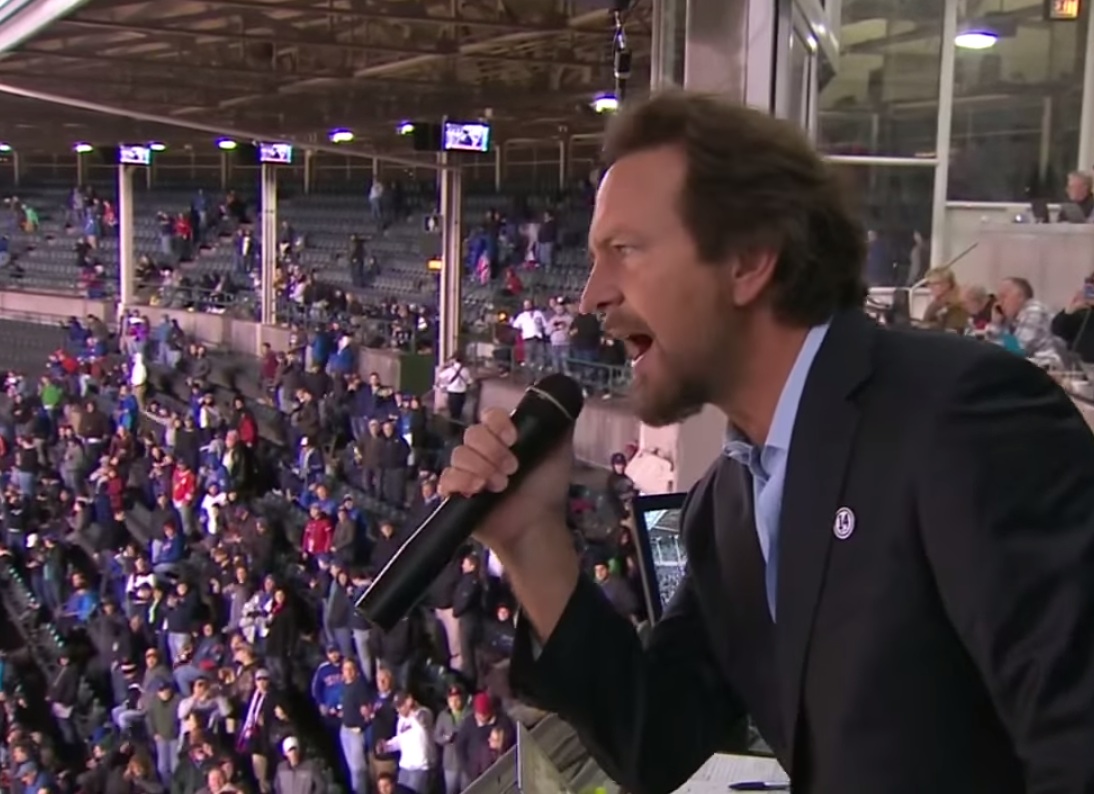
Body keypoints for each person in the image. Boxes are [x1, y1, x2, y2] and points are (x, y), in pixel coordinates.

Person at [438, 90, 1094, 794]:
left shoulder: (961, 416)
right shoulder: (725, 506)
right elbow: (660, 741)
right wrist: (532, 544)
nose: (590, 296)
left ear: (749, 259)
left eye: (624, 250)